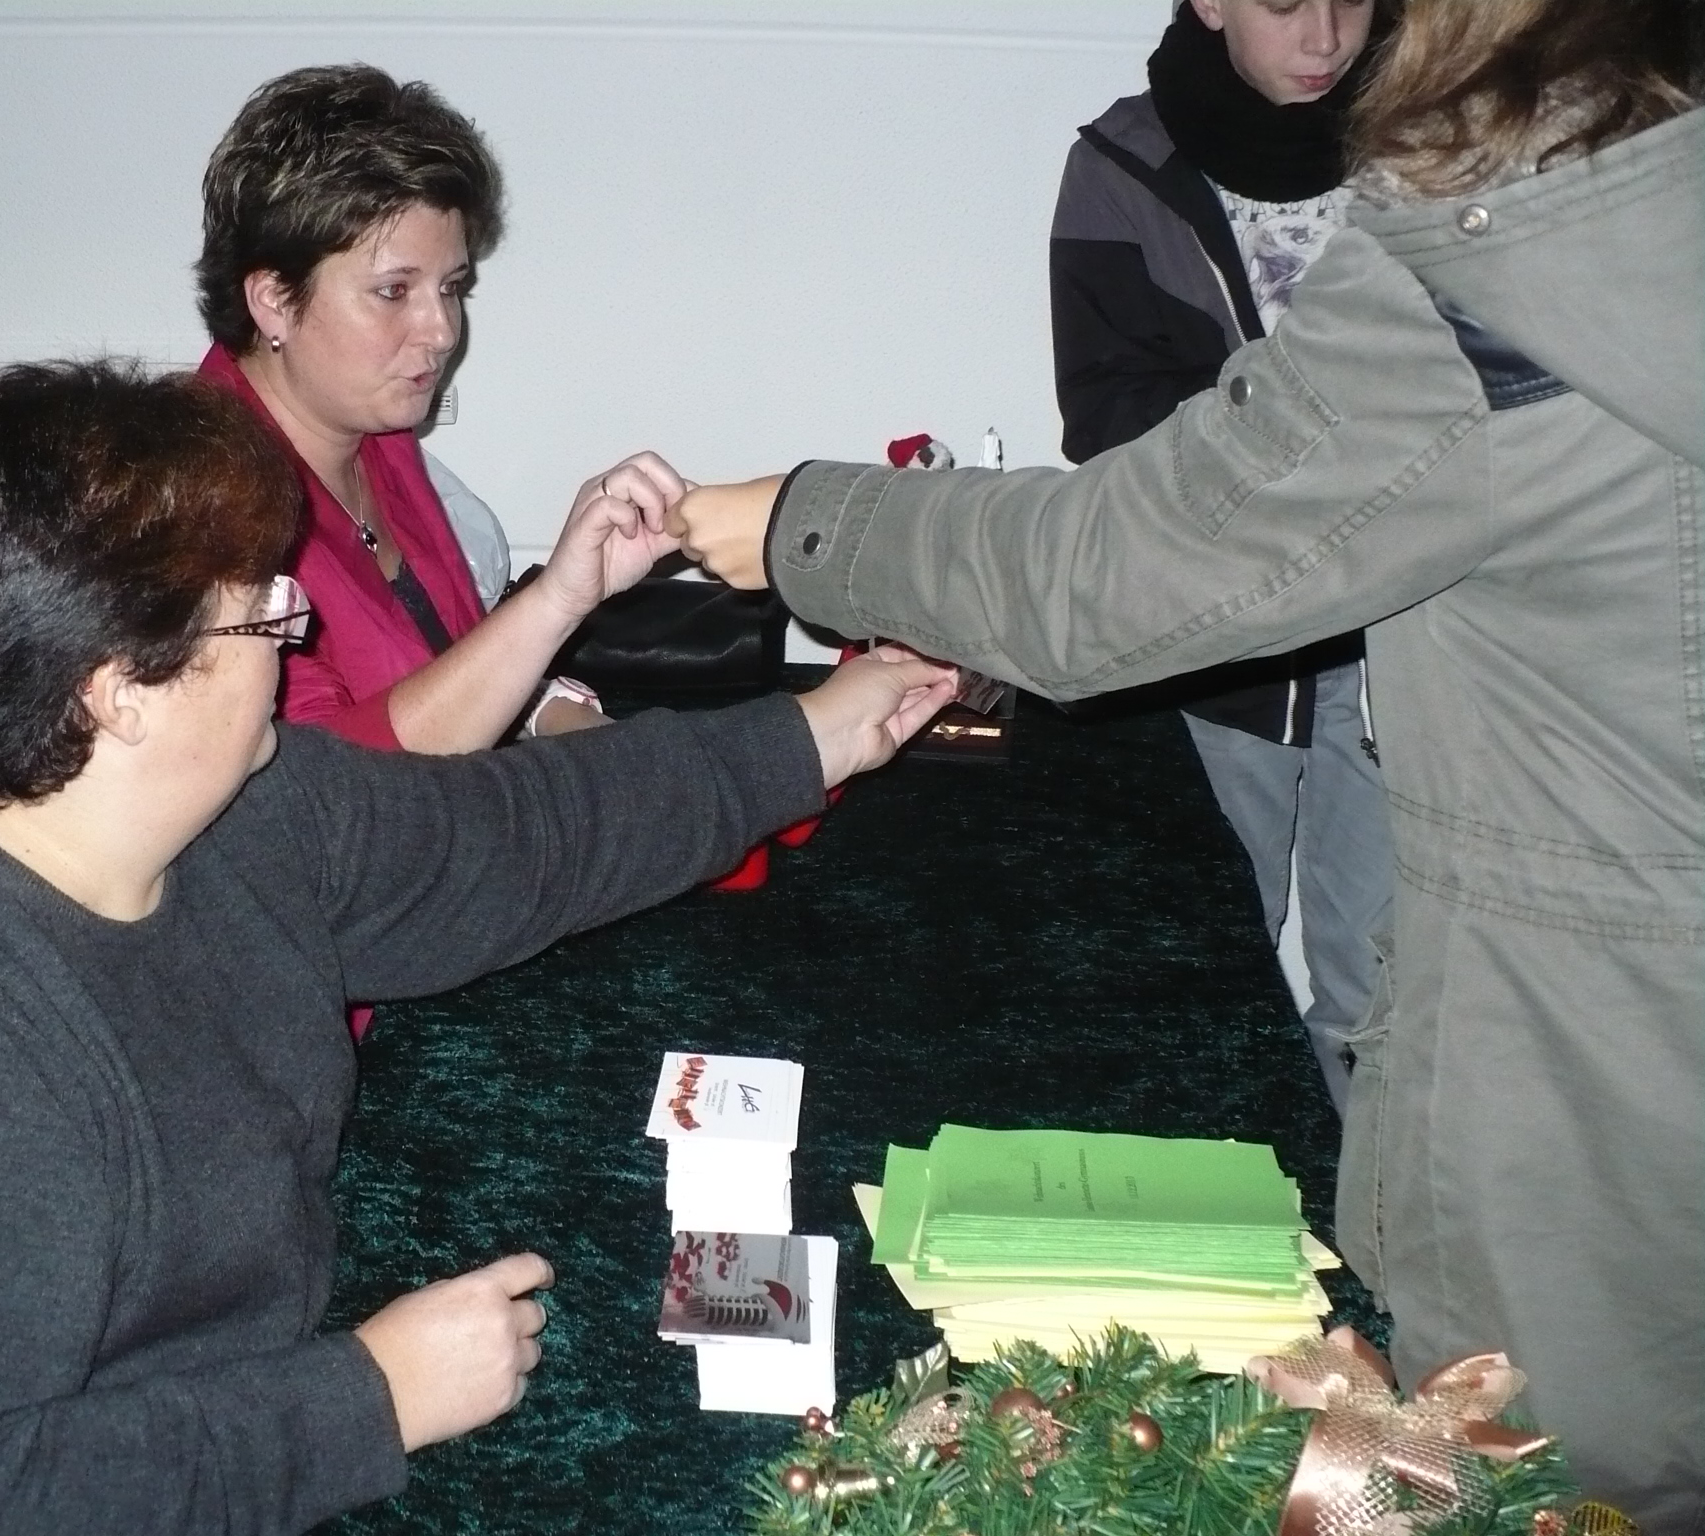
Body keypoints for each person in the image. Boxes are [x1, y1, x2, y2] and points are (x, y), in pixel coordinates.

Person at [670, 1, 1704, 1525]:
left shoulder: (1505, 251)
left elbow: (1127, 563)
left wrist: (800, 525)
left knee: (1541, 1474)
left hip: (1598, 1083)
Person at [0, 360, 954, 1534]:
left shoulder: (216, 804)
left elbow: (516, 835)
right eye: (261, 617)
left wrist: (812, 734)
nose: (293, 636)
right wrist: (364, 1402)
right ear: (119, 692)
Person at [1051, 0, 1390, 1114]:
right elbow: (1105, 417)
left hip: (1405, 640)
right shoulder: (1120, 162)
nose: (1325, 36)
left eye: (1353, 0)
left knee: (1381, 998)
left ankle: (1373, 1264)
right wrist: (1292, 441)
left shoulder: (1428, 143)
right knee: (1197, 985)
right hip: (1207, 646)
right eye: (1286, 2)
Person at [193, 63, 680, 753]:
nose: (442, 331)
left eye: (451, 288)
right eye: (395, 291)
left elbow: (445, 663)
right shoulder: (194, 501)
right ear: (273, 299)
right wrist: (555, 602)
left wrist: (585, 730)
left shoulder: (374, 430)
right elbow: (328, 785)